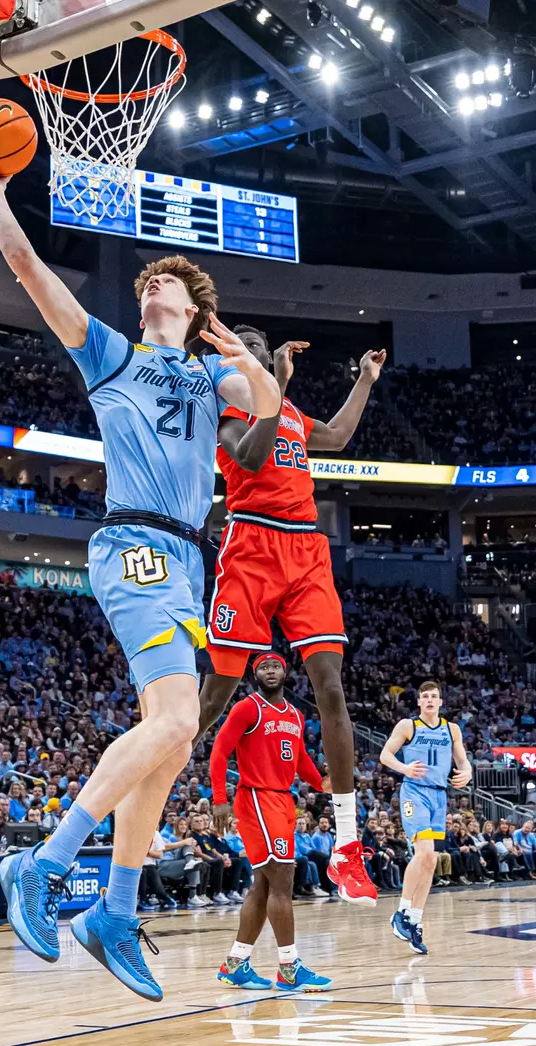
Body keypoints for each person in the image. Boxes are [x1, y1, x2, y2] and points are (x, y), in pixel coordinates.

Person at [0, 143, 281, 1003]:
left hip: (187, 558)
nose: (151, 288)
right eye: (145, 283)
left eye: (165, 282)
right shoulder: (110, 353)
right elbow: (27, 268)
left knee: (171, 744)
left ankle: (114, 911)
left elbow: (268, 407)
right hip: (133, 542)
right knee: (176, 718)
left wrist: (243, 357)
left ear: (193, 306)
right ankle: (43, 864)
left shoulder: (210, 374)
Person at [199, 325, 386, 908]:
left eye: (258, 346)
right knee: (214, 696)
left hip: (305, 548)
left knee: (330, 688)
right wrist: (273, 386)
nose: (252, 350)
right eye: (241, 346)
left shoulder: (296, 416)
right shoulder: (227, 413)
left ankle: (347, 846)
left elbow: (339, 435)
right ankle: (149, 773)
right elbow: (252, 456)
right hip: (251, 544)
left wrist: (364, 380)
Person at [211, 653, 332, 991]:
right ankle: (289, 968)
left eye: (275, 666)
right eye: (263, 667)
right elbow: (219, 751)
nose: (270, 671)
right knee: (282, 880)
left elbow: (300, 759)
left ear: (285, 671)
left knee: (264, 886)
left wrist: (322, 783)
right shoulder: (247, 708)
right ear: (255, 675)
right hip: (256, 797)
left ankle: (235, 963)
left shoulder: (295, 714)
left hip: (282, 800)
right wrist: (219, 800)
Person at [381, 681, 471, 955]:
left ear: (440, 702)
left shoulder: (451, 729)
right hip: (414, 792)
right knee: (425, 853)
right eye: (425, 696)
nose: (430, 700)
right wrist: (404, 768)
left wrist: (467, 771)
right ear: (419, 702)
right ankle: (401, 912)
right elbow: (385, 755)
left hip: (439, 796)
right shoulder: (408, 725)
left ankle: (415, 921)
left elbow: (462, 761)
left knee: (431, 860)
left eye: (434, 696)